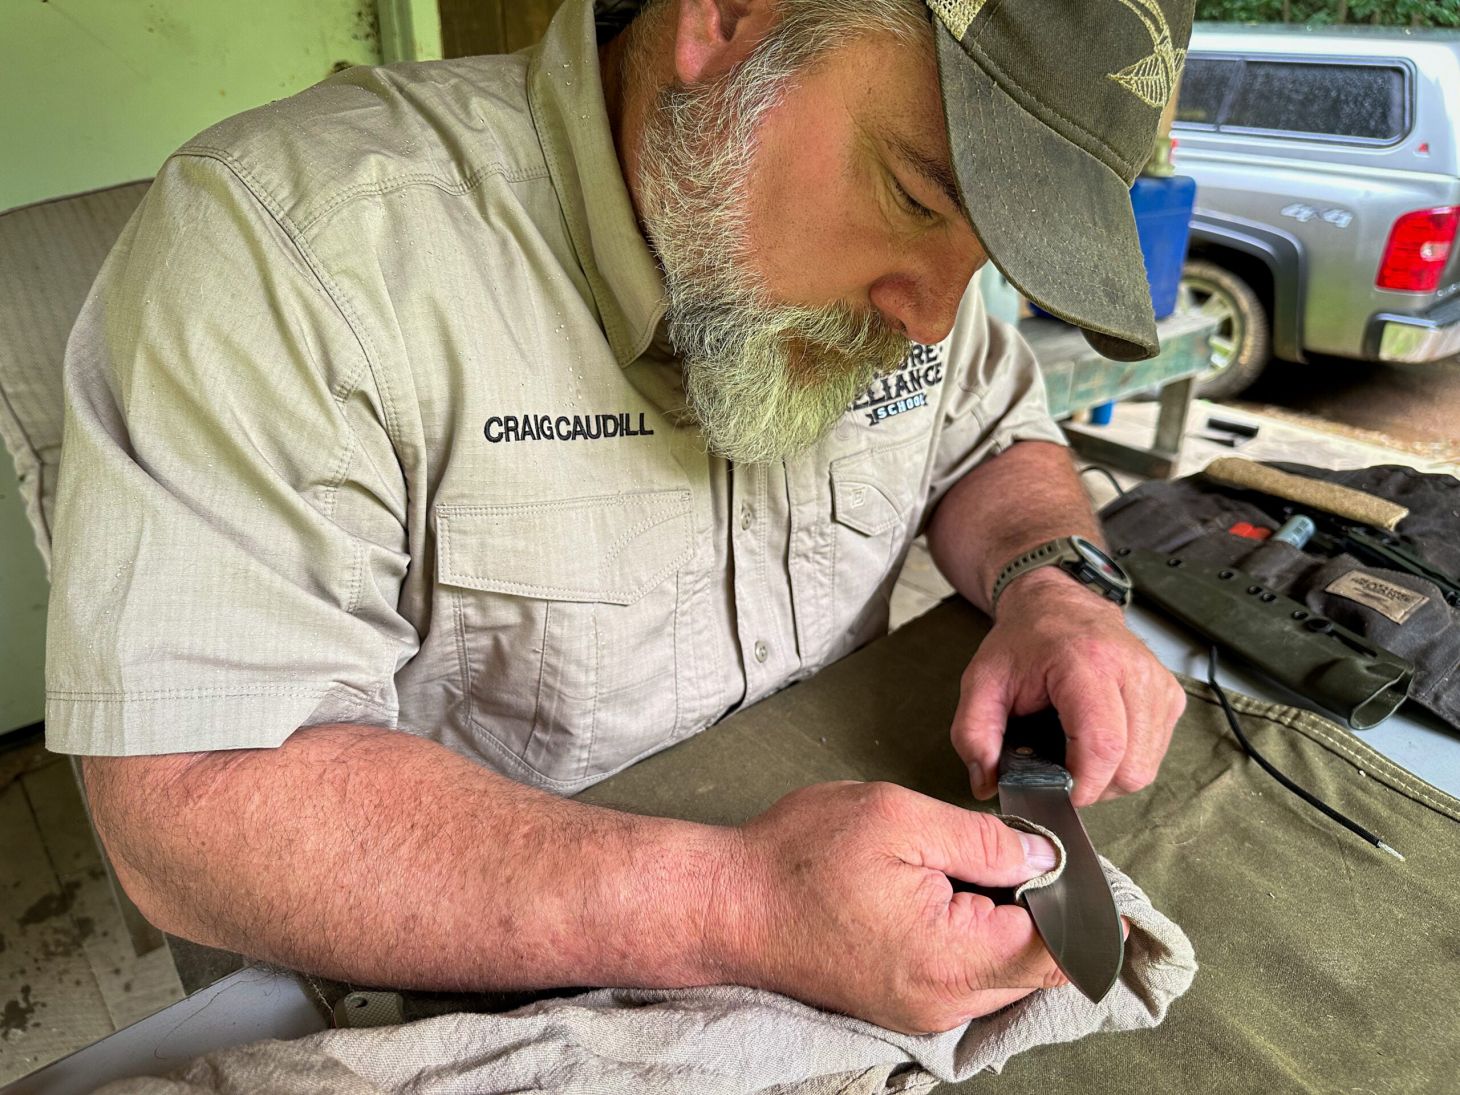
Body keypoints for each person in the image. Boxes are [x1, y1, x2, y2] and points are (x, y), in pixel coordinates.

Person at [46, 0, 1192, 1035]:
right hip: (475, 987)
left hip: (861, 882)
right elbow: (193, 793)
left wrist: (1050, 586)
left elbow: (993, 437)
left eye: (982, 254)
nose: (932, 319)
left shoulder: (902, 285)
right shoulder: (298, 253)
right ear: (729, 18)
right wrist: (738, 900)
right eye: (914, 194)